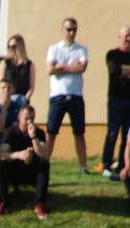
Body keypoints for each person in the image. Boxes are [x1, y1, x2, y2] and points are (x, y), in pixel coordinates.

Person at [46, 17, 89, 173]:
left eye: (74, 30)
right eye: (69, 29)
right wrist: (71, 66)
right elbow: (50, 70)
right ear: (62, 30)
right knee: (51, 132)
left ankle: (83, 167)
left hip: (76, 96)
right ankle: (44, 164)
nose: (71, 33)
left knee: (79, 133)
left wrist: (61, 66)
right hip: (57, 96)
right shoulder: (54, 48)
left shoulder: (81, 49)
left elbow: (82, 68)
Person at [0, 105, 50, 220]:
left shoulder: (39, 132)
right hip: (14, 170)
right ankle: (5, 203)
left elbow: (44, 155)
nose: (29, 121)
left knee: (44, 164)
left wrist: (33, 137)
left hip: (31, 172)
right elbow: (2, 154)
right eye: (26, 118)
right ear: (19, 118)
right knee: (0, 164)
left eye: (32, 118)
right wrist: (19, 155)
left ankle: (39, 204)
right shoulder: (10, 132)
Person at [97, 27, 130, 178]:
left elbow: (120, 71)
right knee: (112, 133)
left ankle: (123, 165)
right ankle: (106, 164)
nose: (128, 39)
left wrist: (124, 70)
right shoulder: (112, 54)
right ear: (120, 37)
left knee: (126, 136)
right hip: (116, 100)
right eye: (126, 36)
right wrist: (123, 70)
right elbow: (114, 70)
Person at [0, 79, 26, 147]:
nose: (6, 90)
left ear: (12, 90)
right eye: (3, 87)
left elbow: (18, 128)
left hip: (13, 140)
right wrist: (4, 107)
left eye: (9, 87)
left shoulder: (18, 107)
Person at [0, 35, 35, 103]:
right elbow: (1, 84)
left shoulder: (29, 65)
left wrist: (25, 99)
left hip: (23, 100)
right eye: (8, 47)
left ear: (21, 47)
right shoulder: (5, 63)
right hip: (8, 100)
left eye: (13, 47)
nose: (10, 49)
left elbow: (31, 88)